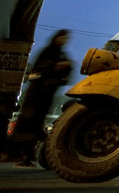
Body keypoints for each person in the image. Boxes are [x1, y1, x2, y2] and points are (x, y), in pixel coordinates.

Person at [7, 29, 74, 166]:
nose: (63, 41)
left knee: (36, 125)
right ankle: (21, 155)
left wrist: (65, 69)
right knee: (27, 125)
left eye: (66, 39)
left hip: (47, 96)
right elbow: (38, 71)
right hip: (35, 95)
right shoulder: (47, 52)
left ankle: (28, 155)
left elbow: (67, 76)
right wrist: (55, 67)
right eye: (62, 38)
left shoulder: (62, 54)